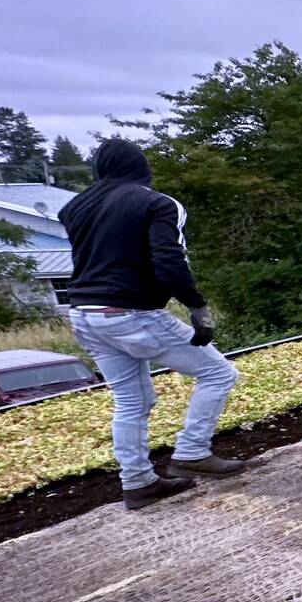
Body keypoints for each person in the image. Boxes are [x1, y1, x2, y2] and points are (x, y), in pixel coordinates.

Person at [59, 140, 244, 509]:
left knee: (131, 400)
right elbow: (169, 261)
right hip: (131, 313)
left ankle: (138, 483)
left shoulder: (75, 207)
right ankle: (192, 452)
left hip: (83, 314)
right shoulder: (157, 203)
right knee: (219, 374)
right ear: (142, 168)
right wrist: (197, 307)